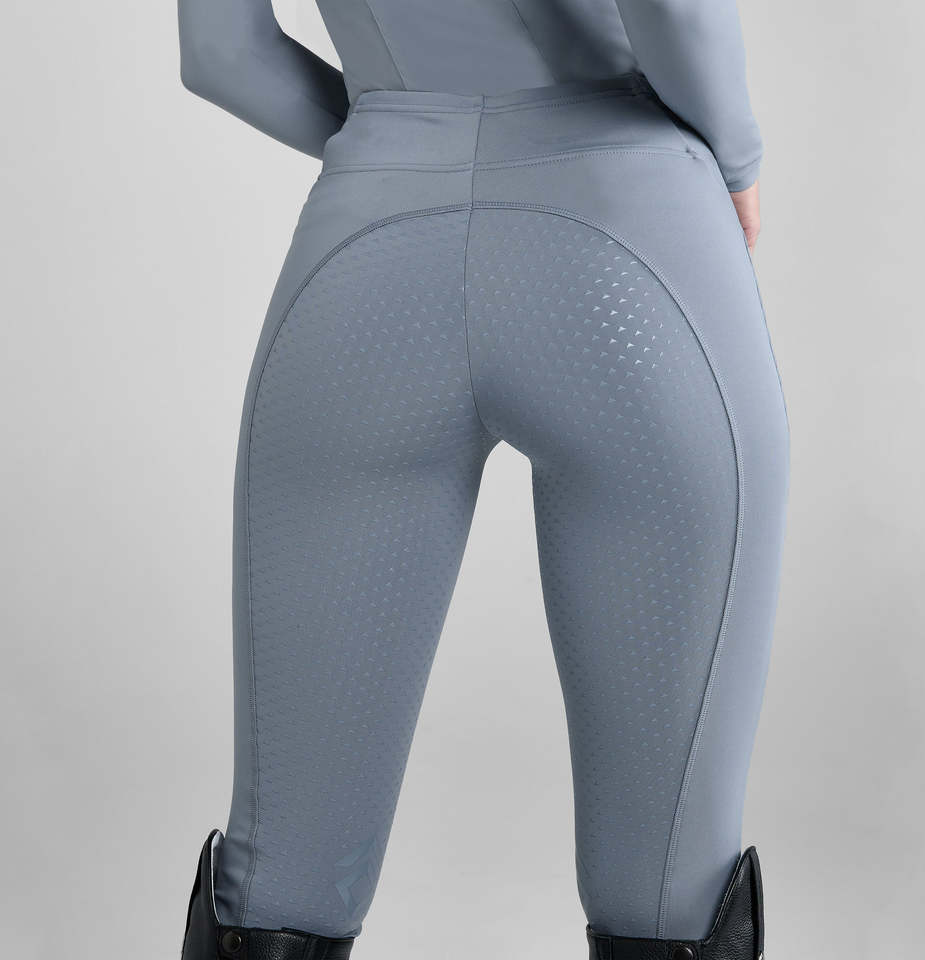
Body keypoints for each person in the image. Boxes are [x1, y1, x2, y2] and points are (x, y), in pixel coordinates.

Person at [175, 2, 789, 958]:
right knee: (670, 878)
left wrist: (397, 130)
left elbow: (220, 54)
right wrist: (737, 162)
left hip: (367, 255)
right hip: (635, 249)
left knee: (282, 875)